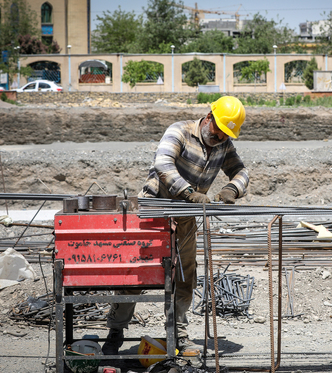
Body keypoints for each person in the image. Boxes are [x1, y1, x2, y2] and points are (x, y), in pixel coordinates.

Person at [102, 96, 249, 355]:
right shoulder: (179, 131)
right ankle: (115, 332)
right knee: (135, 275)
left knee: (184, 276)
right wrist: (189, 193)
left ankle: (179, 336)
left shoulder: (224, 145)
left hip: (185, 218)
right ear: (208, 117)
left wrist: (232, 189)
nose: (221, 138)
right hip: (154, 211)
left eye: (227, 135)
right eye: (219, 132)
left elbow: (241, 171)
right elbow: (163, 165)